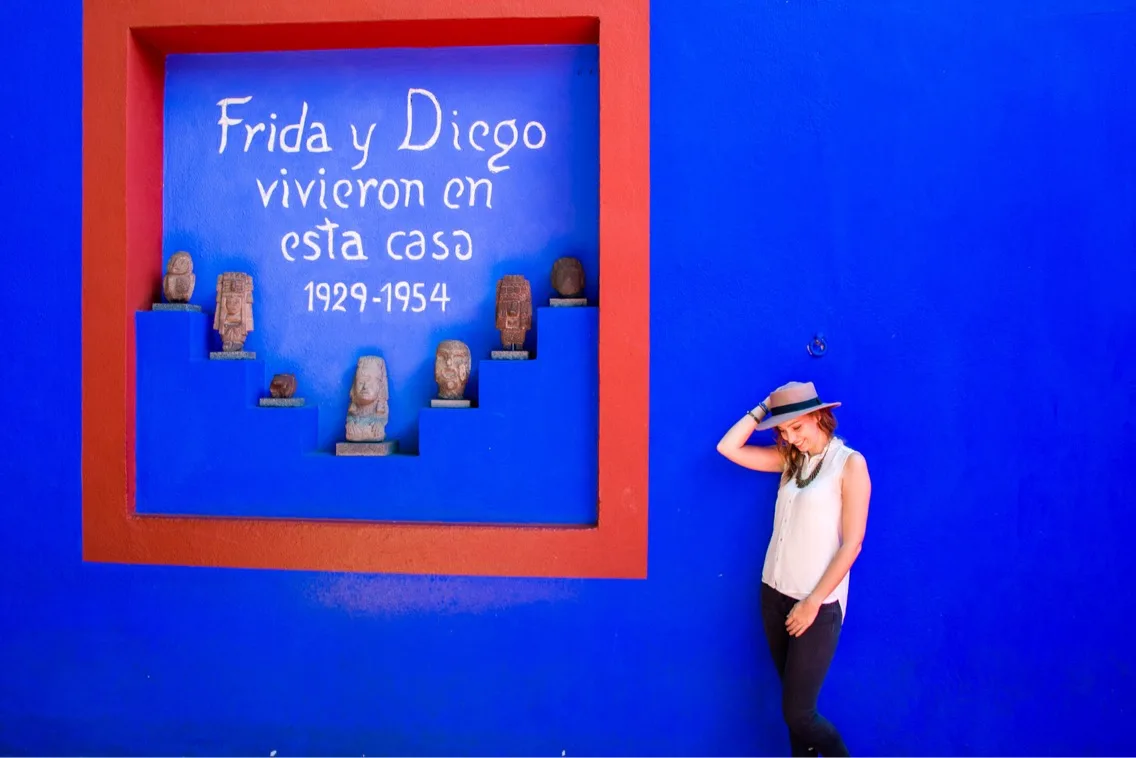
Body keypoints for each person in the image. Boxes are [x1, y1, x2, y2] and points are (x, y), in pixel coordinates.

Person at [716, 381, 871, 756]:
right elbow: (728, 447)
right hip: (773, 594)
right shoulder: (792, 463)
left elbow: (853, 543)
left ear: (819, 416)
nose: (791, 438)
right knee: (793, 717)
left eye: (796, 427)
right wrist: (766, 405)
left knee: (799, 713)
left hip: (814, 606)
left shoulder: (849, 464)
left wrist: (812, 603)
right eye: (784, 431)